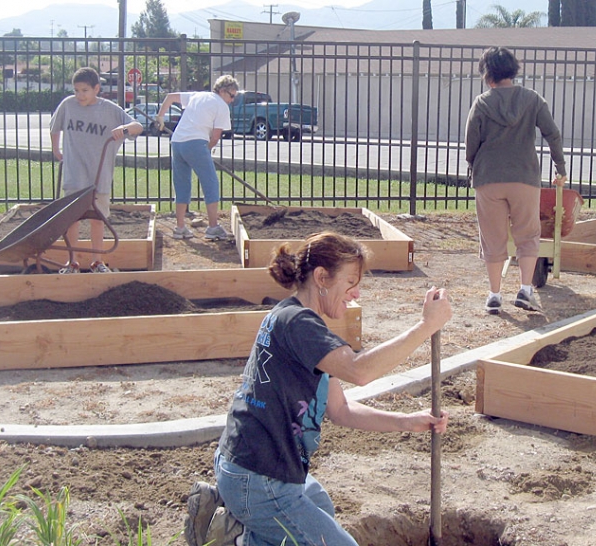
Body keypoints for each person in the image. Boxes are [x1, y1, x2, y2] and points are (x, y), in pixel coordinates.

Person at [184, 231, 453, 546]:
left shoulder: (298, 323)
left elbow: (341, 410)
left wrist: (407, 421)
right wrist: (426, 327)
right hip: (257, 477)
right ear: (322, 277)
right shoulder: (298, 323)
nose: (356, 293)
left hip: (258, 468)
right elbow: (359, 370)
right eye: (351, 282)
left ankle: (241, 532)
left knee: (319, 504)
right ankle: (235, 538)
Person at [464, 46, 567, 315]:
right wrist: (560, 167)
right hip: (524, 176)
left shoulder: (482, 102)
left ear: (488, 75)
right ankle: (525, 290)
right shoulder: (532, 100)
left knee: (493, 238)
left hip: (488, 177)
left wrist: (472, 164)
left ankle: (494, 295)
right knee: (528, 234)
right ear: (514, 70)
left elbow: (471, 140)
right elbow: (552, 134)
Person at [49, 67, 144, 273]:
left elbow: (138, 126)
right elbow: (55, 126)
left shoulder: (109, 109)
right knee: (71, 219)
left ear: (96, 89)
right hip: (75, 173)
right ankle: (71, 262)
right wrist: (56, 149)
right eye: (76, 90)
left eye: (85, 90)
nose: (80, 95)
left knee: (97, 218)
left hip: (99, 174)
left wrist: (124, 129)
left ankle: (97, 261)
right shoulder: (68, 105)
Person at [155, 75, 239, 241]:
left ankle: (180, 228)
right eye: (231, 96)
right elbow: (215, 137)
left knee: (182, 184)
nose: (232, 100)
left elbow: (170, 97)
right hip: (196, 142)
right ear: (222, 91)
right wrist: (205, 150)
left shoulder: (198, 95)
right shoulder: (221, 106)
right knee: (211, 183)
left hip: (177, 142)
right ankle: (213, 227)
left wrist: (160, 117)